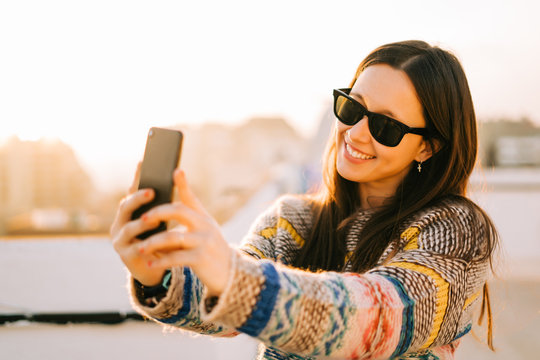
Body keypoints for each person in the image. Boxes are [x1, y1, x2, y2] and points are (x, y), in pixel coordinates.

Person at [111, 40, 499, 360]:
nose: (357, 133)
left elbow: (377, 320)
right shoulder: (292, 219)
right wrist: (156, 273)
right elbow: (225, 313)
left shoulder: (456, 231)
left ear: (427, 148)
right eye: (353, 107)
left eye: (386, 126)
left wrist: (229, 272)